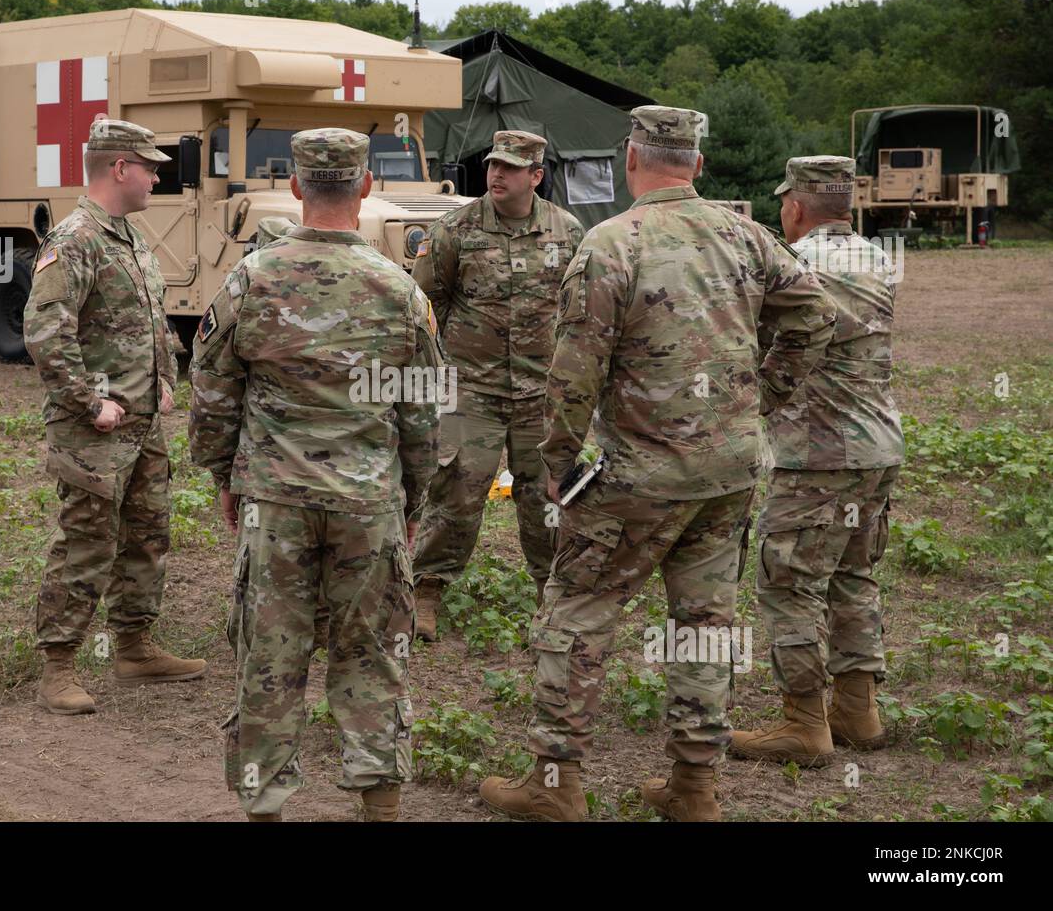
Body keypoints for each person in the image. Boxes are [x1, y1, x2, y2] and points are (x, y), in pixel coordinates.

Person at [479, 106, 836, 821]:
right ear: (697, 166)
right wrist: (757, 398)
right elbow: (815, 313)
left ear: (629, 160)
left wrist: (556, 461)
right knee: (703, 625)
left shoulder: (611, 243)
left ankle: (555, 786)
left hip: (638, 473)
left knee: (577, 612)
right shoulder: (747, 235)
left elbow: (574, 369)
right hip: (728, 469)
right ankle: (695, 788)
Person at [189, 128, 442, 821]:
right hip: (368, 504)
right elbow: (424, 415)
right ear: (365, 187)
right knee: (372, 659)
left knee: (270, 661)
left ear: (296, 187)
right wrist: (412, 499)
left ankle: (264, 808)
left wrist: (223, 478)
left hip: (275, 500)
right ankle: (379, 807)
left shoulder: (252, 278)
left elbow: (211, 393)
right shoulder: (400, 291)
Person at [24, 118, 206, 715]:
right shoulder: (74, 239)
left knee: (148, 537)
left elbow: (142, 325)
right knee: (86, 543)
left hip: (142, 422)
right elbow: (48, 331)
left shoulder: (127, 235)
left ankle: (134, 646)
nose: (158, 175)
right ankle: (58, 666)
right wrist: (88, 401)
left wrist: (163, 385)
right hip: (94, 428)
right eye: (150, 166)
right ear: (119, 168)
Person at [731, 156, 904, 766]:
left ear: (796, 206)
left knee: (789, 584)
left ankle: (805, 724)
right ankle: (857, 711)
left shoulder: (796, 266)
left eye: (784, 202)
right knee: (852, 577)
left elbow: (767, 342)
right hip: (878, 446)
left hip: (818, 454)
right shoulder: (879, 259)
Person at [409, 130, 585, 639]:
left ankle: (549, 598)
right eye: (493, 166)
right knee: (456, 491)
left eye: (510, 168)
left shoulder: (566, 232)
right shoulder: (454, 230)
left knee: (547, 499)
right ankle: (427, 591)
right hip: (472, 390)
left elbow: (578, 312)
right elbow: (425, 308)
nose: (497, 175)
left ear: (536, 175)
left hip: (541, 393)